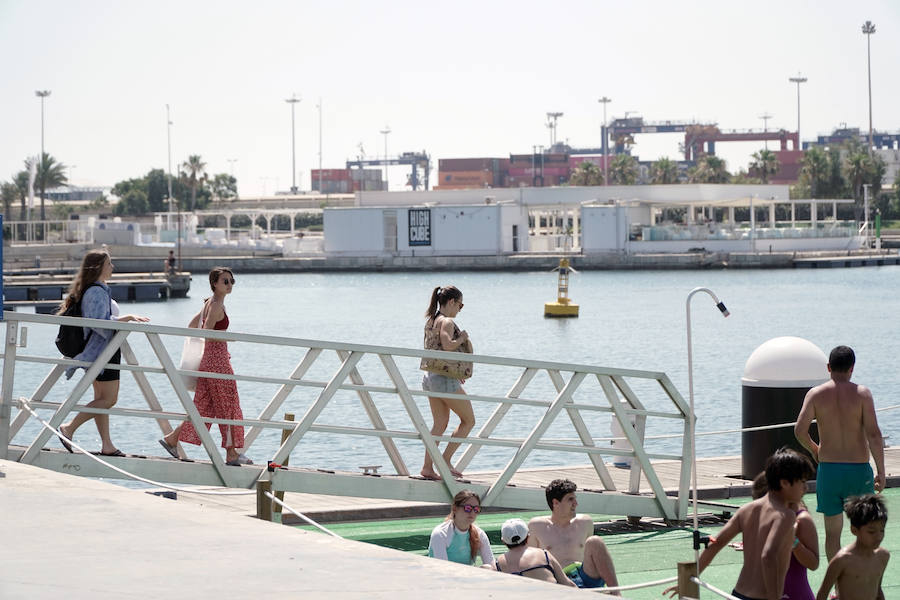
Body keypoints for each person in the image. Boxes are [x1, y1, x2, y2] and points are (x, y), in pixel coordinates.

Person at [668, 448, 815, 600]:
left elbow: (715, 544)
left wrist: (689, 578)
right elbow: (768, 556)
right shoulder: (785, 516)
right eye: (802, 482)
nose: (806, 487)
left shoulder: (747, 509)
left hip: (738, 594)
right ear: (784, 483)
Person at [794, 345, 885, 561]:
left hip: (830, 470)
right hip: (859, 471)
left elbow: (799, 431)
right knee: (866, 531)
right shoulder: (862, 394)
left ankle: (838, 588)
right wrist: (881, 471)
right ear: (852, 368)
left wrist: (815, 450)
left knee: (832, 535)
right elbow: (874, 435)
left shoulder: (816, 394)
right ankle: (864, 582)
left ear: (828, 367)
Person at [56, 249, 149, 456]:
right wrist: (127, 318)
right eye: (109, 263)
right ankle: (69, 428)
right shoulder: (96, 291)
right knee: (109, 400)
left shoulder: (94, 289)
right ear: (99, 267)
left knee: (101, 399)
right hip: (102, 351)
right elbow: (100, 324)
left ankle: (107, 445)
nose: (112, 267)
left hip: (99, 351)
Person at [159, 267, 250, 466]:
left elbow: (193, 326)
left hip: (210, 361)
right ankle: (232, 453)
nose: (229, 284)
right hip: (217, 363)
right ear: (214, 284)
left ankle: (172, 439)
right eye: (225, 281)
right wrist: (226, 338)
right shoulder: (216, 304)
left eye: (231, 281)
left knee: (204, 408)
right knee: (229, 405)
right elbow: (207, 331)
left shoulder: (209, 303)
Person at [419, 285, 474, 480]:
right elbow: (448, 345)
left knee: (440, 424)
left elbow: (437, 351)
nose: (460, 308)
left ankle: (427, 467)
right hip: (443, 380)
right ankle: (446, 460)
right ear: (451, 302)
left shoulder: (431, 319)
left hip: (430, 377)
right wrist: (462, 338)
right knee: (469, 421)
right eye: (460, 304)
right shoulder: (447, 321)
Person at [527, 479, 619, 593]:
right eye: (570, 499)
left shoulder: (585, 522)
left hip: (585, 576)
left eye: (575, 499)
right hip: (558, 583)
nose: (576, 503)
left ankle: (616, 594)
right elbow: (530, 562)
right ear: (555, 503)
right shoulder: (537, 526)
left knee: (595, 541)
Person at [747, 471, 819, 600]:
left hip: (795, 593)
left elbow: (813, 563)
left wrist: (793, 541)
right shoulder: (765, 517)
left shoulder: (802, 520)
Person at [816, 494, 889, 600]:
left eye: (882, 530)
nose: (878, 536)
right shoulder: (842, 560)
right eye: (871, 532)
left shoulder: (883, 557)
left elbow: (877, 589)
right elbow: (822, 593)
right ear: (854, 530)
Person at [485, 518, 574, 586]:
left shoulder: (497, 565)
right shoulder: (544, 555)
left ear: (503, 541)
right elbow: (568, 584)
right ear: (528, 537)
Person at [427, 490, 494, 566]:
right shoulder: (440, 534)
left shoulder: (480, 534)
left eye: (476, 509)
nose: (472, 513)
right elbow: (443, 569)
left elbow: (491, 565)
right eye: (467, 508)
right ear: (455, 509)